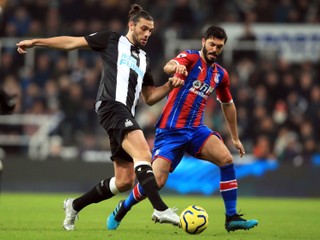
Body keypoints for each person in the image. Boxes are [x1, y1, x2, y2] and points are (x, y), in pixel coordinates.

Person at [16, 4, 184, 231]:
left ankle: (74, 205)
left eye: (150, 31)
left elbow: (150, 97)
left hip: (126, 113)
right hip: (111, 106)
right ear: (131, 25)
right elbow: (71, 42)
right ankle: (160, 209)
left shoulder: (144, 58)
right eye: (144, 29)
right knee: (144, 154)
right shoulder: (112, 40)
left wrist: (170, 86)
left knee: (124, 181)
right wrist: (36, 42)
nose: (147, 34)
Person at [107, 25, 259, 232]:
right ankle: (123, 208)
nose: (215, 49)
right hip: (170, 132)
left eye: (220, 47)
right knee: (157, 181)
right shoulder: (190, 57)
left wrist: (235, 137)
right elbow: (169, 66)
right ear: (204, 42)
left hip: (196, 130)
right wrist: (176, 69)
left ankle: (231, 217)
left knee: (226, 159)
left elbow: (228, 104)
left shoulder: (220, 75)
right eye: (212, 44)